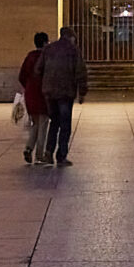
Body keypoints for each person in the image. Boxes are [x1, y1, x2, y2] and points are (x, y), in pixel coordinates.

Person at [37, 25, 87, 166]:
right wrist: (82, 92)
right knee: (65, 125)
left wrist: (46, 82)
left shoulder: (48, 49)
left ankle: (48, 152)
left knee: (54, 122)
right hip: (65, 92)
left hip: (50, 93)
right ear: (72, 37)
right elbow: (80, 72)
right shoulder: (73, 50)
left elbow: (38, 69)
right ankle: (61, 155)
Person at [17, 31, 50, 165]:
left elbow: (22, 76)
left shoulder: (30, 56)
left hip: (31, 94)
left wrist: (28, 87)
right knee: (43, 125)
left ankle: (29, 148)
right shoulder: (46, 57)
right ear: (44, 43)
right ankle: (39, 155)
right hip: (43, 94)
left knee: (35, 124)